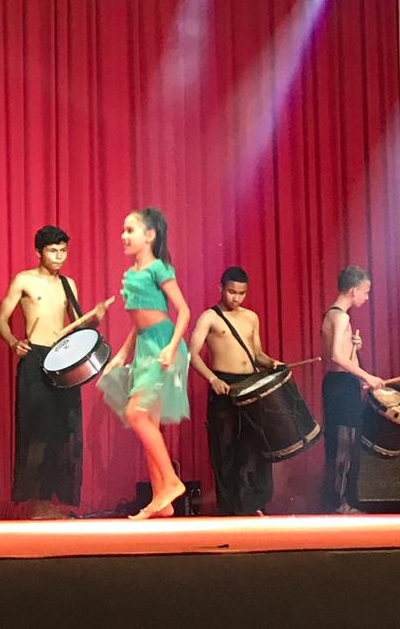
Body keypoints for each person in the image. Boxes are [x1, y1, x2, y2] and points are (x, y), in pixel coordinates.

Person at [0, 225, 111, 518]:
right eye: (52, 251)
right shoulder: (24, 280)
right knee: (36, 431)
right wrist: (13, 342)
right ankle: (37, 504)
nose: (59, 257)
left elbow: (79, 325)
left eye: (63, 251)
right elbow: (1, 318)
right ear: (39, 252)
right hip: (35, 357)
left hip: (63, 361)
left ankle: (49, 502)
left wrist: (95, 319)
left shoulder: (68, 284)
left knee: (63, 432)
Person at [97, 208, 191, 520]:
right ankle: (162, 501)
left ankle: (172, 482)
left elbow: (184, 311)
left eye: (130, 230)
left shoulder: (158, 268)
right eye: (123, 230)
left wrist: (171, 347)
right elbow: (139, 324)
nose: (123, 236)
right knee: (147, 421)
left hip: (163, 345)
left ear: (149, 235)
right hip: (144, 348)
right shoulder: (133, 273)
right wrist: (122, 354)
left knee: (135, 414)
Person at [188, 266, 283, 516]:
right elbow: (192, 354)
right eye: (231, 292)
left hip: (250, 384)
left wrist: (272, 363)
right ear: (220, 288)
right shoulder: (209, 317)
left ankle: (255, 503)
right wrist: (212, 379)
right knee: (226, 447)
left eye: (241, 293)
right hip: (224, 385)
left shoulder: (251, 317)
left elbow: (257, 354)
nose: (236, 298)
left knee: (255, 446)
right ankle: (232, 507)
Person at [320, 265, 384, 514]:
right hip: (341, 385)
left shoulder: (331, 314)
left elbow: (340, 353)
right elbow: (336, 356)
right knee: (345, 444)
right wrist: (367, 376)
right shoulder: (342, 317)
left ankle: (339, 501)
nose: (366, 298)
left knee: (341, 442)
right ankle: (340, 502)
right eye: (365, 292)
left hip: (338, 384)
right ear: (354, 289)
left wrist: (354, 348)